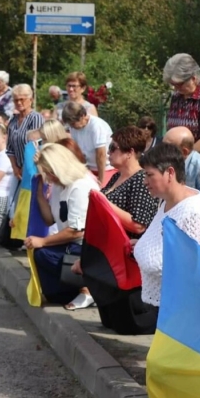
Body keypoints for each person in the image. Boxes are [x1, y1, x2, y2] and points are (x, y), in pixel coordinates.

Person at [72, 126, 160, 330]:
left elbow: (139, 224)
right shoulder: (115, 176)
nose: (109, 152)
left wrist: (104, 203)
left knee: (124, 321)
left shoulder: (140, 180)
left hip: (127, 255)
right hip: (110, 252)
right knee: (110, 319)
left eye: (114, 148)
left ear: (130, 153)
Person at [133, 143, 200, 308]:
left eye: (150, 175)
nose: (145, 182)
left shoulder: (193, 212)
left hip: (183, 311)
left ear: (170, 172)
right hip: (165, 304)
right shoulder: (165, 202)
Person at [24, 144, 99, 305]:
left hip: (86, 247)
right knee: (41, 258)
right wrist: (39, 194)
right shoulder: (60, 184)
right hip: (72, 243)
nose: (48, 177)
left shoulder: (81, 186)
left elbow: (77, 231)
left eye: (49, 172)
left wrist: (43, 241)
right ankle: (67, 291)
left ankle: (88, 287)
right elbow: (50, 219)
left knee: (43, 253)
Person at [61, 101, 115, 186]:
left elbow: (101, 155)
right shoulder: (74, 128)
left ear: (82, 116)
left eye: (73, 124)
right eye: (70, 124)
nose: (71, 127)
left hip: (106, 169)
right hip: (89, 168)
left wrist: (101, 180)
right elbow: (78, 151)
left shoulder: (96, 126)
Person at [6, 84, 44, 180]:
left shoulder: (35, 118)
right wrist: (15, 167)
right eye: (16, 100)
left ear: (30, 100)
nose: (19, 102)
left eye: (22, 99)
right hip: (17, 169)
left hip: (34, 167)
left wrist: (25, 167)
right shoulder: (13, 120)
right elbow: (10, 148)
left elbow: (35, 146)